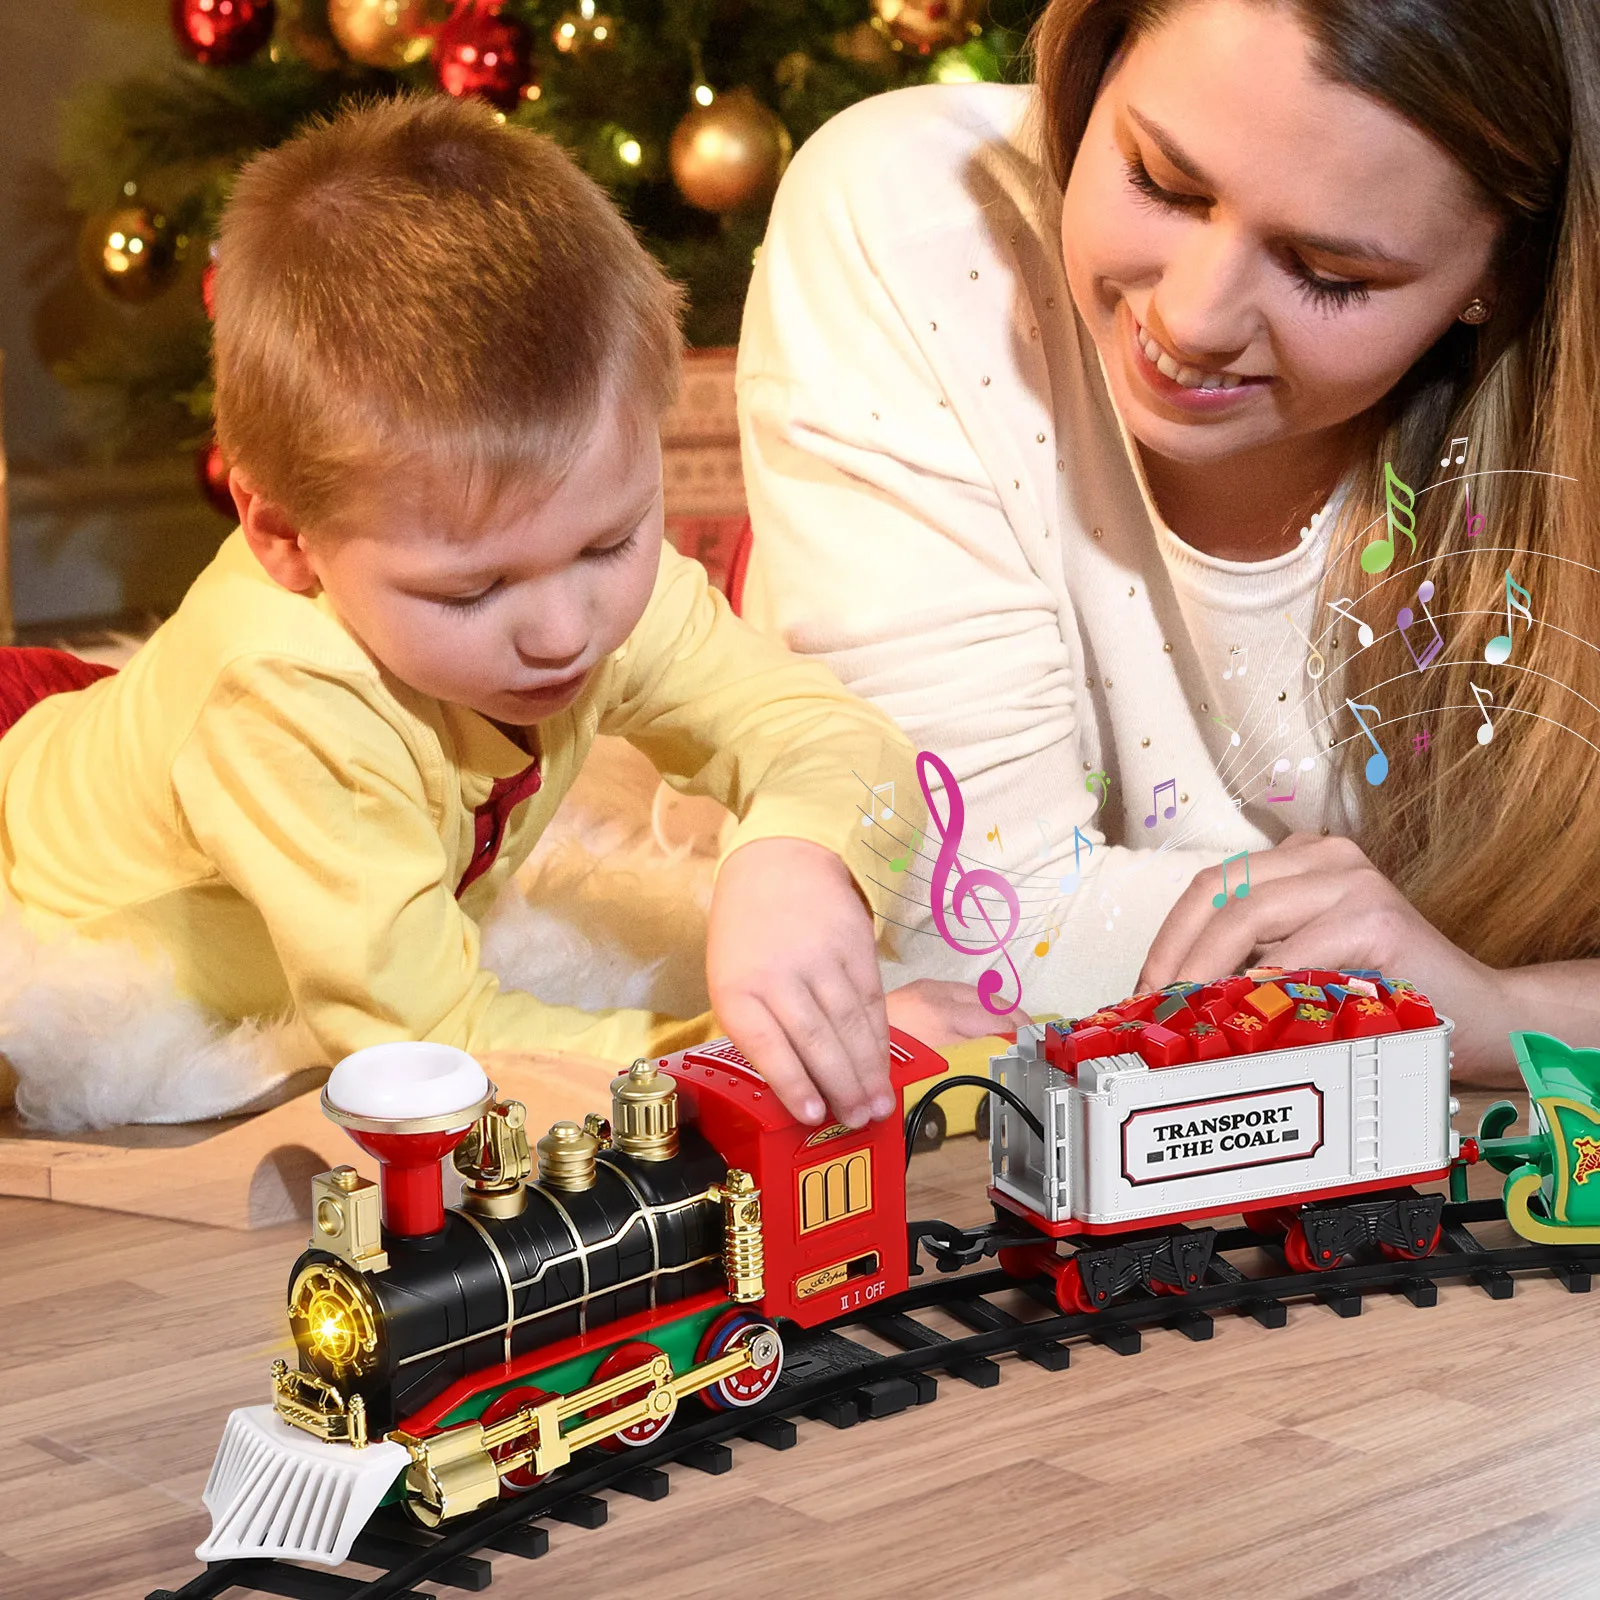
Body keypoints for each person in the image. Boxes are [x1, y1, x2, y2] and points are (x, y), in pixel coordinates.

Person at [0, 94, 992, 1136]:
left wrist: (799, 860)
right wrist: (731, 1059)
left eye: (611, 541)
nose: (565, 630)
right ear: (285, 534)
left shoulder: (560, 570)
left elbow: (830, 731)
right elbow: (424, 1050)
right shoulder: (284, 692)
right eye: (471, 591)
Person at [738, 0, 1600, 1083]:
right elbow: (958, 936)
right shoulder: (911, 218)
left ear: (1504, 276)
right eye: (1161, 182)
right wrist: (1424, 990)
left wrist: (1502, 1009)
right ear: (1094, 64)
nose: (1192, 320)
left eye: (1329, 271)